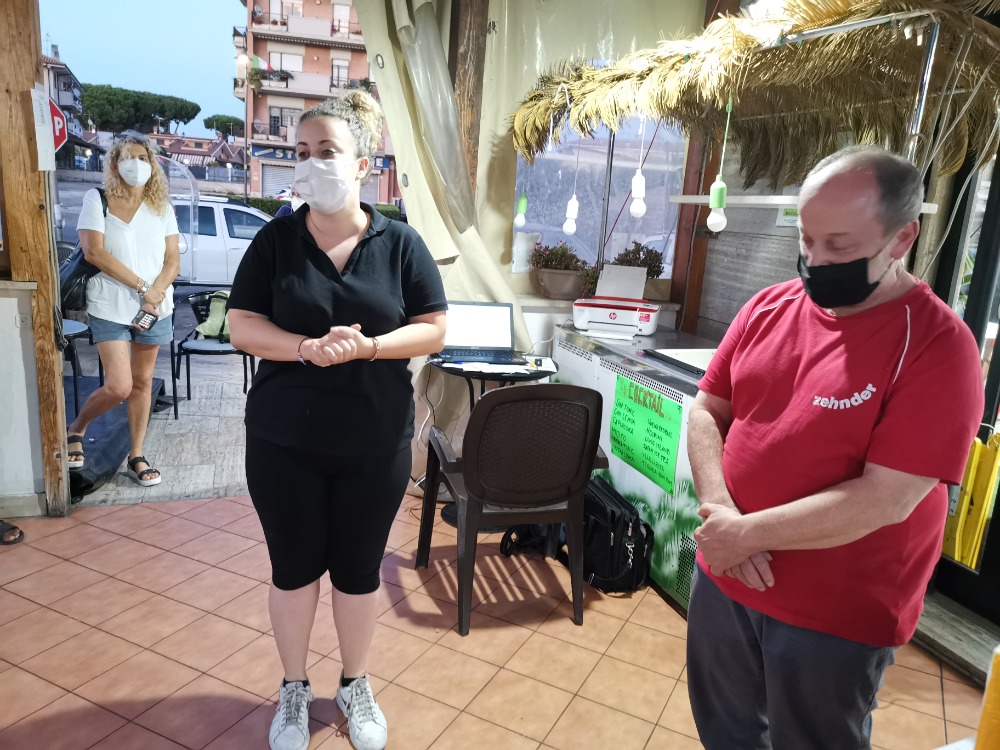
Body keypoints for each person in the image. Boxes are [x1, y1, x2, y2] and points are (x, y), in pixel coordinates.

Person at [686, 145, 984, 750]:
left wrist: (745, 534)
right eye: (807, 239)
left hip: (834, 609)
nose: (816, 260)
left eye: (840, 246)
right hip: (727, 572)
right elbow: (706, 411)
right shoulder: (769, 306)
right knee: (726, 731)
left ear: (902, 238)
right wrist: (721, 512)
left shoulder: (938, 345)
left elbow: (886, 498)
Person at [227, 92, 447, 750]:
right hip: (283, 441)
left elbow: (433, 329)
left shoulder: (400, 243)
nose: (312, 163)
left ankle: (354, 683)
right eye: (301, 152)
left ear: (363, 164)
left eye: (327, 151)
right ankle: (294, 688)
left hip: (374, 442)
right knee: (293, 570)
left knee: (357, 572)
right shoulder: (275, 241)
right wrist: (303, 347)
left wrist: (370, 347)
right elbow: (242, 325)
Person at [67, 134, 179, 487]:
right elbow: (94, 252)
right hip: (110, 305)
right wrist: (144, 288)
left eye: (143, 157)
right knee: (119, 385)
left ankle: (136, 454)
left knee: (143, 382)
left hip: (155, 308)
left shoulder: (161, 207)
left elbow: (172, 260)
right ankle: (77, 428)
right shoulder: (97, 199)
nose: (136, 164)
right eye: (128, 157)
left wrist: (155, 294)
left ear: (152, 164)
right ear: (115, 163)